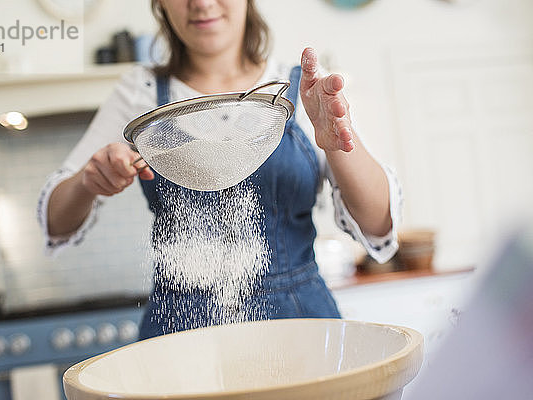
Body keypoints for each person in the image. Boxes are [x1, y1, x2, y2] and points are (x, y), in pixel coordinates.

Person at [37, 0, 402, 340]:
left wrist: (338, 144)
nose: (201, 3)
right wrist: (88, 181)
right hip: (179, 334)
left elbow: (377, 225)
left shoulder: (301, 87)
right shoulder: (140, 90)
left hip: (299, 326)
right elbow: (55, 221)